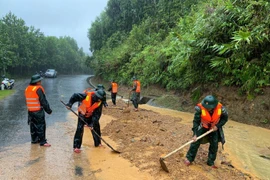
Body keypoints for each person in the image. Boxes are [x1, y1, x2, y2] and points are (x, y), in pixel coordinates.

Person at [184, 95, 228, 168]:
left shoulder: (221, 109)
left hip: (214, 128)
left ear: (213, 106)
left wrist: (217, 126)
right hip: (203, 126)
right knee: (195, 141)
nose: (207, 109)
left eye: (209, 108)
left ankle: (210, 162)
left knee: (214, 145)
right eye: (206, 107)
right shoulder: (200, 109)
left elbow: (225, 119)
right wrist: (195, 134)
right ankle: (189, 158)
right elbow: (196, 121)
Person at [65, 89, 107, 153]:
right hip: (83, 111)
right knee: (80, 128)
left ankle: (98, 143)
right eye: (99, 99)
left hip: (91, 113)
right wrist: (69, 104)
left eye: (101, 99)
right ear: (96, 96)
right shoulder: (86, 95)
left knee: (96, 126)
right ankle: (76, 146)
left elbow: (97, 115)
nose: (100, 100)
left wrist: (92, 124)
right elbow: (75, 96)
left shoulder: (99, 102)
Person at [25, 74, 52, 147]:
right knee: (41, 126)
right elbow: (43, 101)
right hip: (38, 111)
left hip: (30, 111)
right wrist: (48, 110)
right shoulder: (38, 89)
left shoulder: (28, 88)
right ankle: (43, 141)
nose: (40, 81)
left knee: (33, 126)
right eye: (39, 80)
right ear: (37, 82)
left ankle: (34, 140)